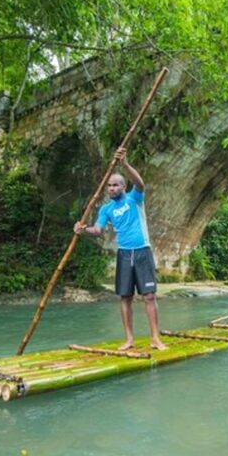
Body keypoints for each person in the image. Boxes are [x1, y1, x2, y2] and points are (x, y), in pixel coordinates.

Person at [74, 146, 167, 351]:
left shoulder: (134, 198)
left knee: (149, 296)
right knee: (125, 296)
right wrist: (83, 229)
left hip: (142, 251)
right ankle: (129, 339)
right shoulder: (106, 209)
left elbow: (140, 183)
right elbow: (98, 230)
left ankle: (155, 338)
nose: (112, 189)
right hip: (124, 254)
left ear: (123, 187)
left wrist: (124, 163)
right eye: (109, 186)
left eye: (116, 185)